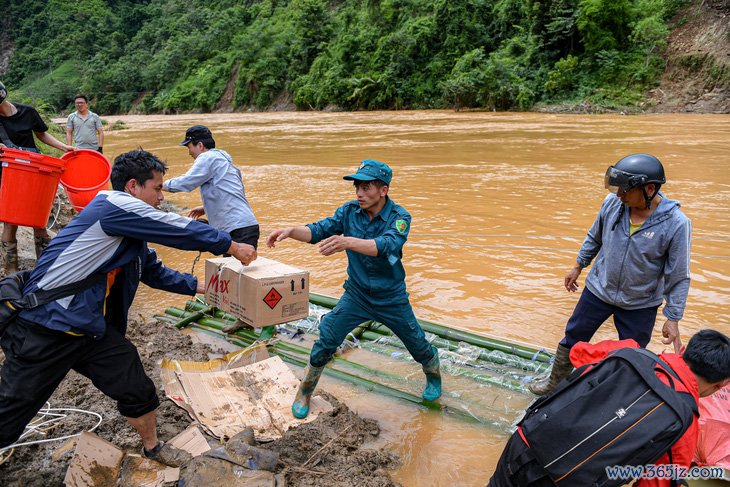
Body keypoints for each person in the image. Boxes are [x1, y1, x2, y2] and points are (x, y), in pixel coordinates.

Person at [0, 149, 257, 466]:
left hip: (90, 330)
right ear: (133, 186)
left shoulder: (131, 230)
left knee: (138, 389)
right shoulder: (113, 205)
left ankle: (152, 447)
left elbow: (153, 271)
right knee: (10, 415)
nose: (162, 196)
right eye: (158, 188)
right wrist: (229, 244)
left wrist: (203, 287)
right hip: (47, 327)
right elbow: (177, 228)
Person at [266, 159, 441, 420]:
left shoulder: (400, 217)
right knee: (327, 339)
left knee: (417, 343)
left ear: (383, 190)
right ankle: (305, 389)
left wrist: (347, 241)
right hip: (357, 295)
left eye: (366, 187)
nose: (359, 193)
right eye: (357, 187)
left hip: (391, 297)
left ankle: (433, 374)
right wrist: (291, 231)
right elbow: (317, 231)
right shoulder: (349, 212)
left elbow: (386, 245)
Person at [530, 153, 692, 396]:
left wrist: (673, 317)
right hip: (599, 289)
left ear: (649, 189)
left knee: (632, 353)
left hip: (640, 302)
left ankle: (613, 397)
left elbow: (678, 274)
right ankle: (556, 382)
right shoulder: (613, 204)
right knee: (573, 335)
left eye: (625, 190)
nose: (619, 194)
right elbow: (594, 236)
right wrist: (578, 265)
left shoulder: (676, 224)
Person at [489, 330, 730, 487]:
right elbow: (655, 483)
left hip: (526, 439)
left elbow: (578, 353)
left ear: (683, 350)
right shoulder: (686, 422)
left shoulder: (628, 350)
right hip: (565, 480)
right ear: (720, 385)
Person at [0, 80, 75, 274]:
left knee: (38, 219)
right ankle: (11, 270)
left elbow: (41, 134)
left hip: (34, 170)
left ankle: (45, 265)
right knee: (10, 220)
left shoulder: (27, 112)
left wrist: (63, 147)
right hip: (9, 172)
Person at [163, 125, 259, 249]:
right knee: (234, 267)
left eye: (189, 147)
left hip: (237, 228)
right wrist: (205, 208)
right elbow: (232, 193)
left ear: (200, 145)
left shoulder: (206, 157)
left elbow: (186, 182)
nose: (189, 153)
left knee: (232, 267)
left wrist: (158, 185)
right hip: (244, 225)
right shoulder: (224, 160)